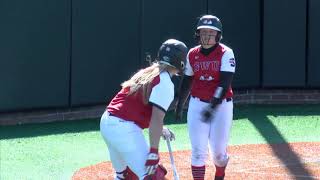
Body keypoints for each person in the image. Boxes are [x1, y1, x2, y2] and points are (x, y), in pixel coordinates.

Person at [100, 39, 188, 180]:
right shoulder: (164, 82)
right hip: (123, 127)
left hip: (107, 123)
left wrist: (161, 128)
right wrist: (153, 152)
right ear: (181, 62)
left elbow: (136, 105)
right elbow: (156, 119)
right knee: (152, 177)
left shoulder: (147, 72)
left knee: (125, 176)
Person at [175, 15, 236, 180]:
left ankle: (220, 173)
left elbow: (224, 85)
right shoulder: (192, 54)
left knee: (218, 154)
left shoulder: (226, 53)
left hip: (221, 106)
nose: (207, 36)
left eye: (211, 32)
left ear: (218, 35)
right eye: (203, 32)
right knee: (198, 152)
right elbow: (187, 81)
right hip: (197, 104)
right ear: (198, 34)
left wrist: (212, 107)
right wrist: (180, 104)